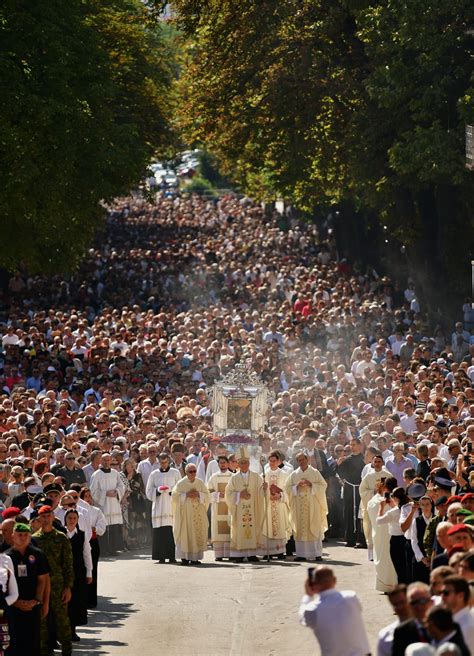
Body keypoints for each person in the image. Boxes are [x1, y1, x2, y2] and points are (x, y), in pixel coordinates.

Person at [298, 565, 370, 656]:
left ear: (313, 584)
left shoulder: (312, 609)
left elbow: (302, 619)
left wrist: (308, 595)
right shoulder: (351, 596)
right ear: (335, 580)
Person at [33, 504, 74, 656]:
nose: (46, 518)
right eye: (43, 516)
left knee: (62, 621)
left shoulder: (61, 538)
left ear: (53, 516)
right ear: (39, 518)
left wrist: (68, 587)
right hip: (41, 587)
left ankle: (67, 652)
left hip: (58, 586)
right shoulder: (34, 540)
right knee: (41, 623)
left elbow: (68, 564)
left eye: (48, 515)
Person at [6, 522, 48, 656]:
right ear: (13, 536)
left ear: (30, 536)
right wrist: (16, 602)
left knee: (33, 641)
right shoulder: (6, 557)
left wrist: (38, 600)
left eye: (25, 535)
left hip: (32, 606)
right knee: (14, 642)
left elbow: (43, 580)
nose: (22, 537)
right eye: (19, 535)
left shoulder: (38, 554)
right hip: (13, 607)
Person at [286, 452, 328, 562]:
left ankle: (317, 554)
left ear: (307, 459)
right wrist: (296, 486)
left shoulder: (315, 472)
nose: (301, 462)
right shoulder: (294, 474)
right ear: (297, 462)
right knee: (301, 528)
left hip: (313, 505)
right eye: (299, 460)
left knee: (314, 526)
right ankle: (301, 554)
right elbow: (287, 488)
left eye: (303, 459)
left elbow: (323, 485)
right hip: (299, 506)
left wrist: (312, 485)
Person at [225, 447, 264, 563]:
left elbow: (261, 491)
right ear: (238, 464)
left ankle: (252, 554)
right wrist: (239, 495)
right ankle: (239, 554)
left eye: (246, 462)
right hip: (239, 509)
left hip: (253, 507)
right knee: (239, 529)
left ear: (249, 463)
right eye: (241, 463)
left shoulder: (256, 477)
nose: (244, 465)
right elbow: (228, 494)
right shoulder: (234, 478)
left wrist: (265, 489)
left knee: (252, 528)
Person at [172, 463, 210, 565]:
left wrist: (198, 494)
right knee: (186, 534)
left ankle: (195, 558)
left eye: (194, 471)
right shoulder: (181, 483)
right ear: (186, 472)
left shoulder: (200, 483)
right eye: (190, 472)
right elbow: (174, 496)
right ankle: (184, 558)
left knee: (196, 534)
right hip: (185, 515)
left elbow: (207, 496)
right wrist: (186, 495)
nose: (193, 474)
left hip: (198, 514)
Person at [145, 453, 181, 563]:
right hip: (159, 507)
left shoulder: (175, 472)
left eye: (165, 462)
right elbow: (148, 490)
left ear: (169, 461)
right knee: (159, 532)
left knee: (170, 531)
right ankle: (160, 556)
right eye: (161, 463)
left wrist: (171, 490)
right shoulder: (154, 474)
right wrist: (157, 490)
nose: (163, 465)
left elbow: (180, 488)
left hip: (170, 507)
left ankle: (171, 556)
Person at [64, 508, 93, 642]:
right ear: (65, 519)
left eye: (74, 518)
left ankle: (72, 631)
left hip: (78, 572)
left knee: (75, 602)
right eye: (69, 518)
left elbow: (87, 553)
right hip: (63, 573)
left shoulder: (81, 535)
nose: (72, 520)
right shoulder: (60, 534)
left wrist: (89, 572)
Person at [90, 453, 126, 555]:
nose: (106, 462)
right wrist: (105, 493)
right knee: (103, 526)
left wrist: (117, 492)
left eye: (108, 460)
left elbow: (121, 486)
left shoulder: (115, 473)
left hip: (114, 504)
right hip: (103, 505)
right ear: (101, 461)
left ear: (111, 461)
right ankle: (103, 550)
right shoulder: (96, 474)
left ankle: (114, 549)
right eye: (104, 460)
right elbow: (93, 490)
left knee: (114, 526)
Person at [367, 476, 398, 593]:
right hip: (382, 534)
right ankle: (387, 585)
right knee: (385, 558)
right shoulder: (377, 501)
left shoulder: (377, 501)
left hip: (389, 534)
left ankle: (391, 584)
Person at [359, 454, 391, 560]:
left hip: (384, 506)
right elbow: (362, 491)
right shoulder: (368, 476)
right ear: (372, 463)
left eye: (379, 461)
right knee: (370, 527)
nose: (377, 464)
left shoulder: (388, 475)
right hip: (372, 506)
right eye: (375, 462)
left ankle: (384, 552)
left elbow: (393, 488)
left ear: (382, 463)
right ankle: (371, 554)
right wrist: (373, 492)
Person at [79, 487, 106, 609]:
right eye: (86, 496)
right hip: (81, 543)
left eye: (90, 496)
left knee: (92, 571)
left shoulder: (96, 511)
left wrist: (95, 529)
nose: (88, 499)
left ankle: (91, 599)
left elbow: (102, 525)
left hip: (93, 542)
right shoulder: (78, 511)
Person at [336, 438, 366, 548]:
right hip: (349, 489)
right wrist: (339, 465)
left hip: (361, 489)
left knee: (360, 513)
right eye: (350, 445)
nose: (351, 447)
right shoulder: (347, 460)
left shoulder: (364, 459)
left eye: (354, 444)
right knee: (348, 513)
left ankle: (361, 539)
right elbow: (340, 473)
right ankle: (350, 539)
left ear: (360, 446)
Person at [261, 450, 290, 559]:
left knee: (280, 526)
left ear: (278, 461)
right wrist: (264, 490)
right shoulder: (264, 475)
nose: (272, 463)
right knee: (267, 526)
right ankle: (268, 551)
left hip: (279, 504)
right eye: (270, 461)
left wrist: (280, 496)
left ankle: (280, 551)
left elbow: (288, 491)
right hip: (267, 505)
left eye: (274, 461)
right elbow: (259, 492)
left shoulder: (284, 474)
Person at [392, 582, 433, 656]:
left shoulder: (446, 624)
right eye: (414, 603)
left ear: (432, 602)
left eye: (423, 601)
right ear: (408, 606)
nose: (419, 607)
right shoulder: (402, 632)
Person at [439, 575, 474, 653]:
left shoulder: (469, 626)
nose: (442, 596)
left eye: (446, 593)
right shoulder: (450, 620)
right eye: (441, 593)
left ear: (461, 596)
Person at [207, 455, 232, 561]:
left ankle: (230, 553)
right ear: (218, 464)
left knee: (230, 528)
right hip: (217, 507)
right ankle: (219, 555)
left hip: (230, 507)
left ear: (228, 464)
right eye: (221, 463)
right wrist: (218, 495)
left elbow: (235, 491)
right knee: (218, 530)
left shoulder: (233, 476)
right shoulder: (214, 477)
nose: (223, 464)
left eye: (224, 462)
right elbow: (208, 491)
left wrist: (227, 495)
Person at [377, 584, 411, 656]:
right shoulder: (385, 636)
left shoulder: (426, 626)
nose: (400, 607)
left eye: (402, 602)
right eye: (395, 604)